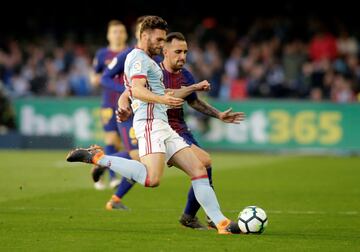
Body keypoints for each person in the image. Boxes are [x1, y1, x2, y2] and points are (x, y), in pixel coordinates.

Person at [67, 15, 241, 234]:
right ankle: (97, 157)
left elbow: (132, 90)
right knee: (152, 179)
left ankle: (221, 223)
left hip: (163, 125)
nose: (161, 43)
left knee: (199, 169)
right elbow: (139, 89)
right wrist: (162, 100)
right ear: (144, 36)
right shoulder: (137, 57)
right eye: (158, 39)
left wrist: (132, 101)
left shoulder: (149, 62)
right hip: (149, 123)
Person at [117, 32, 245, 229]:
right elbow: (133, 90)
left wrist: (218, 114)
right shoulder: (153, 70)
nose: (183, 56)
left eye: (185, 52)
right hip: (158, 127)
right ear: (165, 52)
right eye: (178, 52)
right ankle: (200, 216)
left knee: (201, 165)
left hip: (180, 129)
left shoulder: (185, 74)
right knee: (186, 167)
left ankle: (199, 216)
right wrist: (123, 103)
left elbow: (193, 101)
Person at [89, 20, 128, 190]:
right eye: (114, 32)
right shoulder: (102, 54)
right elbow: (94, 77)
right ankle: (113, 177)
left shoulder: (131, 53)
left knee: (119, 145)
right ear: (108, 35)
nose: (117, 34)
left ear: (126, 34)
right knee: (111, 139)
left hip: (128, 104)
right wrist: (97, 79)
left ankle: (99, 164)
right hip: (109, 104)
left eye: (120, 31)